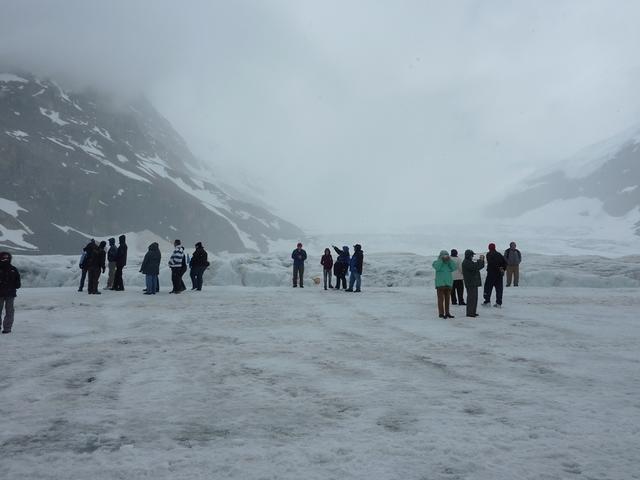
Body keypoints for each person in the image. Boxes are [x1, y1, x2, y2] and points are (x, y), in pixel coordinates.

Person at [432, 250, 458, 318]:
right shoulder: (436, 262)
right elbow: (437, 267)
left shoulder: (449, 263)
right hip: (440, 284)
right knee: (440, 299)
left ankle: (447, 313)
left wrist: (450, 260)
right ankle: (441, 313)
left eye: (446, 255)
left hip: (448, 283)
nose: (445, 257)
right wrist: (441, 259)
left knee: (447, 299)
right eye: (444, 255)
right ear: (440, 256)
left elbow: (455, 267)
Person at [0, 251, 21, 334]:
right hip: (10, 294)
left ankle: (7, 328)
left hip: (3, 293)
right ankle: (7, 329)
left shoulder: (13, 269)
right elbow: (18, 285)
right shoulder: (13, 269)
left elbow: (18, 284)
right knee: (9, 311)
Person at [461, 250, 485, 318]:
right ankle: (470, 313)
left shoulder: (468, 261)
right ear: (469, 255)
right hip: (470, 283)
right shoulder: (466, 262)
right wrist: (480, 261)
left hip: (472, 283)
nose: (472, 256)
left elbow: (476, 266)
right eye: (472, 255)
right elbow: (475, 267)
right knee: (471, 298)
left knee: (474, 298)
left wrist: (480, 261)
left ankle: (472, 312)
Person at [483, 243, 507, 307]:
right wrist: (503, 269)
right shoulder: (499, 254)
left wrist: (498, 268)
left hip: (491, 274)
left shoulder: (489, 254)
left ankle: (487, 301)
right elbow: (505, 262)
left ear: (489, 248)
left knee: (488, 288)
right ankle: (498, 303)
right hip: (499, 274)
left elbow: (491, 263)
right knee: (499, 289)